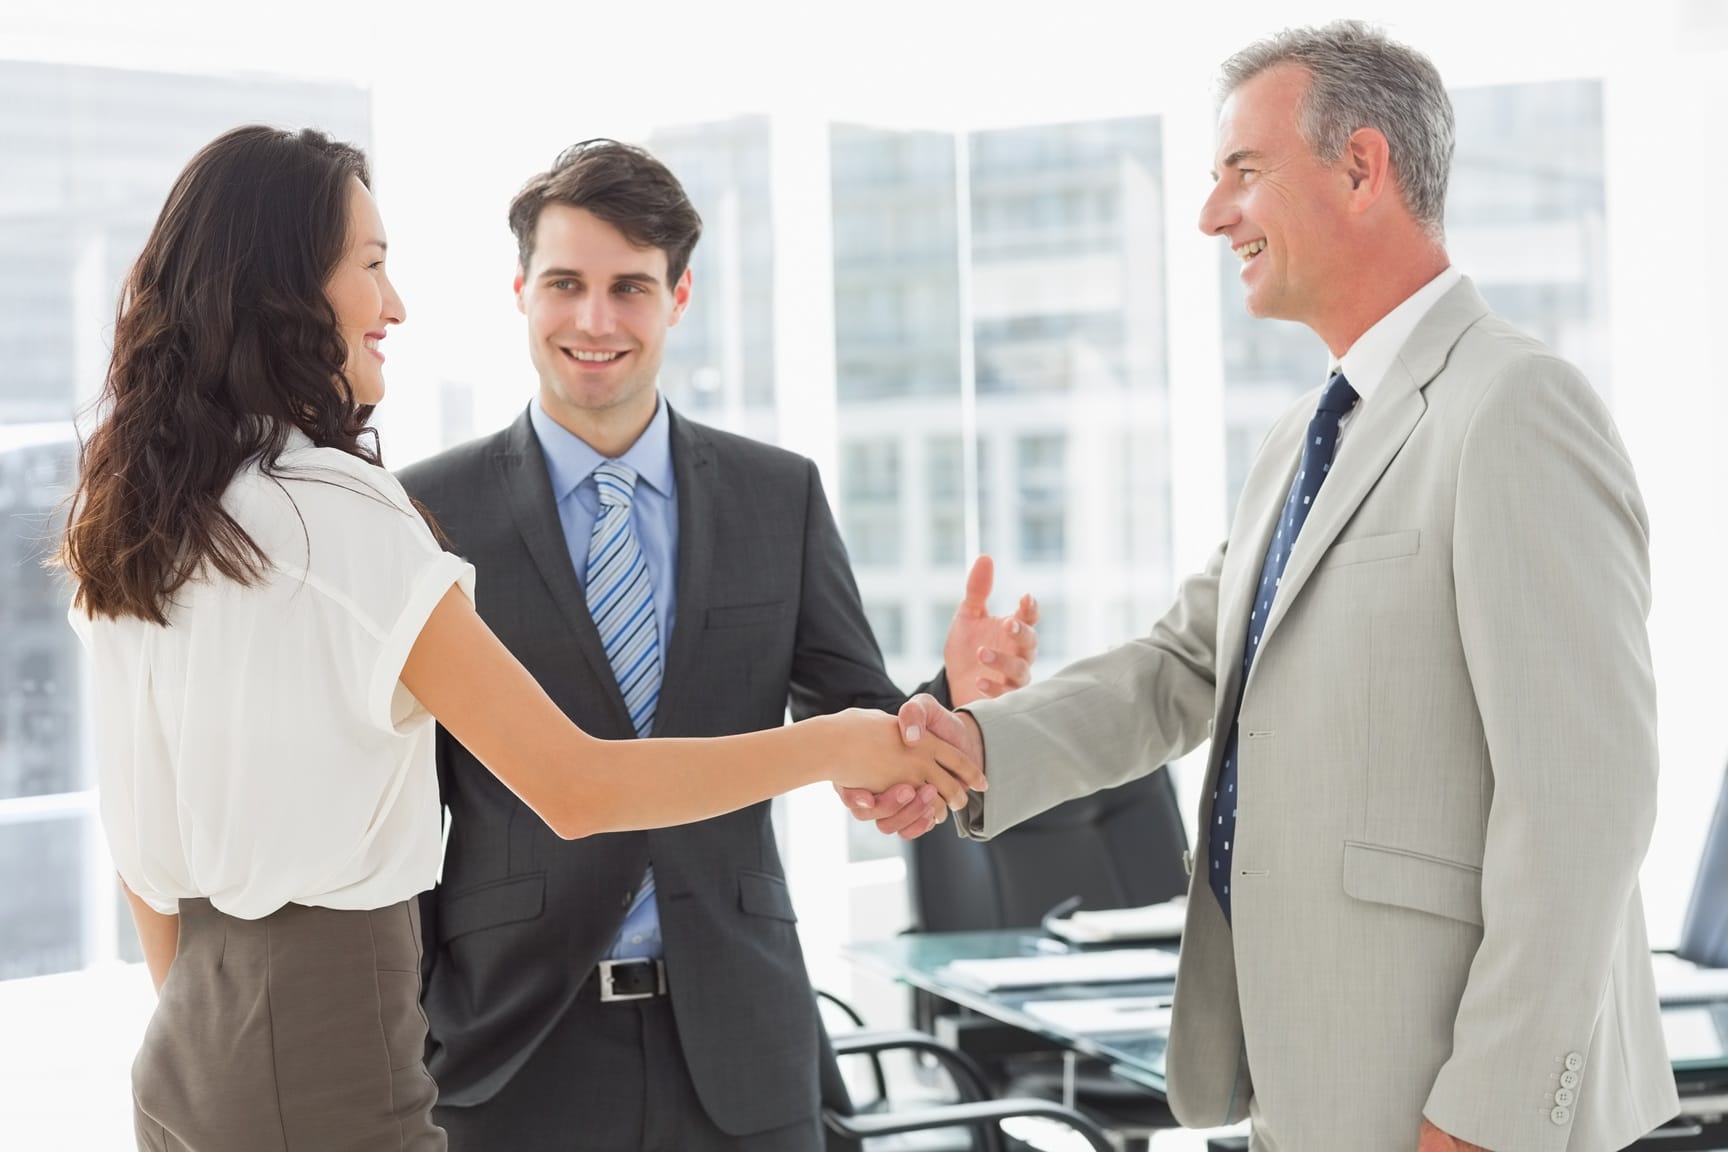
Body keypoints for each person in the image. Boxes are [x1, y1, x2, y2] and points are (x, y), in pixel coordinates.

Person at [57, 124, 983, 1152]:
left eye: (630, 285)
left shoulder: (146, 528)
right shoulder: (350, 514)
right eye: (372, 266)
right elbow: (574, 785)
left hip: (194, 1040)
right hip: (389, 1034)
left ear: (678, 296)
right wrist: (839, 747)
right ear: (285, 286)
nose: (396, 303)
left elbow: (144, 863)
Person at [885, 21, 1679, 1152]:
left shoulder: (1514, 407)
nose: (1212, 215)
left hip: (1445, 1097)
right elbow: (1181, 666)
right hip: (1307, 1078)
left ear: (1362, 167)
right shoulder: (1305, 438)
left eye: (1240, 173)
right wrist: (971, 744)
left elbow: (1585, 804)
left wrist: (1488, 1112)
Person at [397, 138, 1038, 1152]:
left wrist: (942, 699)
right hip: (511, 1047)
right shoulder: (426, 511)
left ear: (679, 296)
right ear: (520, 290)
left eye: (630, 288)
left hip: (741, 1039)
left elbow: (849, 724)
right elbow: (395, 794)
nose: (595, 320)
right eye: (565, 283)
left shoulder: (775, 496)